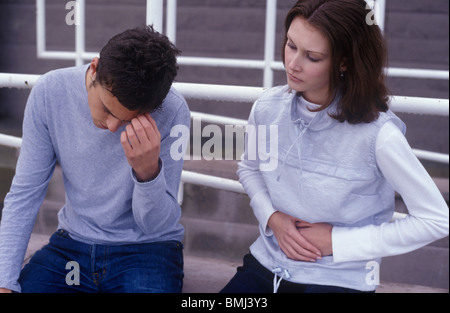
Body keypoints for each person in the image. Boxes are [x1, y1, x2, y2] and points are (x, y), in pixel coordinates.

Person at [221, 0, 449, 293]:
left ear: (344, 61)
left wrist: (337, 242)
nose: (293, 64)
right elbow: (249, 168)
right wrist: (271, 217)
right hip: (267, 266)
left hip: (341, 279)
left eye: (312, 56)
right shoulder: (266, 108)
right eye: (291, 45)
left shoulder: (379, 134)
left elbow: (436, 219)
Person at [0, 26, 190, 293]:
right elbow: (25, 193)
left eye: (126, 119)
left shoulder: (172, 110)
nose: (112, 126)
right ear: (94, 69)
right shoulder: (50, 93)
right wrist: (4, 281)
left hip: (146, 250)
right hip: (71, 248)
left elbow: (155, 225)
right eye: (107, 108)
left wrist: (148, 174)